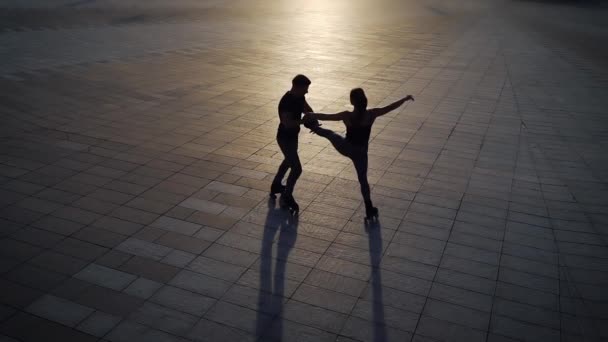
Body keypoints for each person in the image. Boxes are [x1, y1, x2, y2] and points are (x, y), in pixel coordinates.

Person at [303, 88, 414, 220]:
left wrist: (312, 115)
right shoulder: (372, 114)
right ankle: (369, 208)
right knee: (363, 180)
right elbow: (389, 108)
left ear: (351, 101)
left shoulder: (346, 115)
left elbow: (327, 117)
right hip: (360, 153)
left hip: (346, 147)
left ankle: (313, 128)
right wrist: (404, 99)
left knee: (330, 134)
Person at [270, 74, 314, 214]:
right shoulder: (286, 101)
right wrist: (304, 122)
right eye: (306, 88)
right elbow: (287, 123)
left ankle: (276, 184)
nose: (307, 91)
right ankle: (286, 196)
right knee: (297, 168)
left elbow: (308, 110)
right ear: (298, 86)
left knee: (288, 161)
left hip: (292, 136)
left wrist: (311, 116)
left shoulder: (299, 97)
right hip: (284, 137)